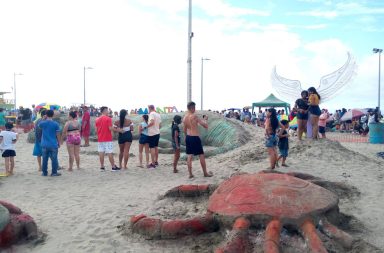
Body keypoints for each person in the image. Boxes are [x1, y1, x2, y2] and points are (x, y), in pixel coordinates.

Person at [183, 101, 213, 178]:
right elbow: (205, 126)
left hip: (188, 137)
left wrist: (186, 136)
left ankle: (190, 174)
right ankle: (205, 173)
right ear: (192, 108)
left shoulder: (185, 117)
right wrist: (205, 119)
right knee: (201, 155)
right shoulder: (194, 116)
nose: (195, 109)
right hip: (195, 137)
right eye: (194, 108)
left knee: (189, 155)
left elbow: (184, 129)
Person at [95, 106, 120, 171]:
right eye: (107, 110)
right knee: (109, 152)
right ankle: (113, 167)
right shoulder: (108, 118)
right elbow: (110, 128)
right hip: (107, 138)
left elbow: (96, 130)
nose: (108, 111)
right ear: (105, 110)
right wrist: (119, 130)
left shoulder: (97, 119)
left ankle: (102, 167)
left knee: (101, 152)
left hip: (100, 138)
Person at [39, 109, 62, 177]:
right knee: (54, 159)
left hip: (44, 144)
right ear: (53, 115)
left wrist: (43, 119)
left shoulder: (43, 123)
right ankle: (54, 173)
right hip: (53, 144)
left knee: (44, 159)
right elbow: (58, 134)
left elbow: (38, 126)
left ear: (46, 115)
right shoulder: (56, 124)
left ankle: (44, 172)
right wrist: (59, 142)